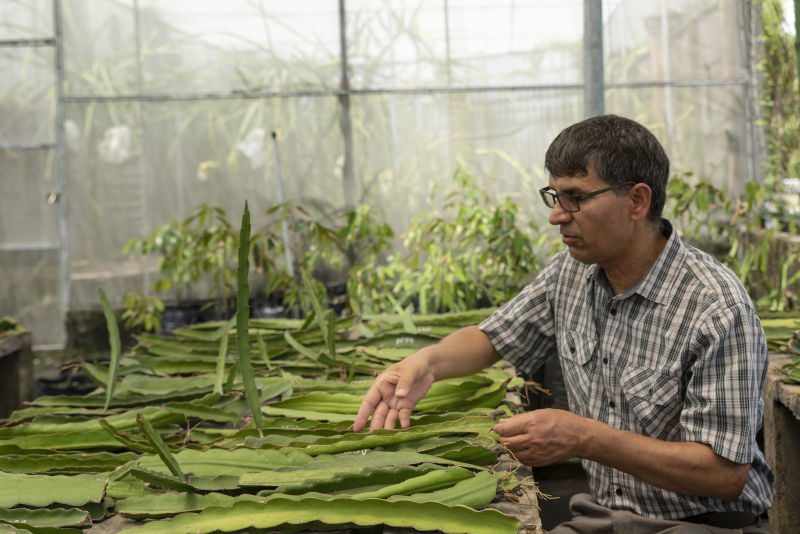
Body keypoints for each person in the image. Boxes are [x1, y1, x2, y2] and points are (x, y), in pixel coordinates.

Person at [352, 114, 775, 533]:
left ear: (637, 201)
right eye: (554, 196)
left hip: (705, 525)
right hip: (603, 517)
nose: (557, 216)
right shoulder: (570, 273)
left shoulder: (716, 309)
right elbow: (493, 337)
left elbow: (724, 474)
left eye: (575, 197)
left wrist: (586, 438)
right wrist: (427, 362)